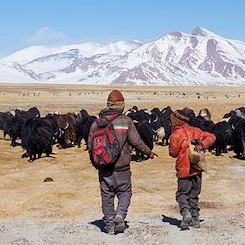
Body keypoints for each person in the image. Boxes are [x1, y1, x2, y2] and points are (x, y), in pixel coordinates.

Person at [89, 89, 155, 235]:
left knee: (107, 197)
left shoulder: (96, 124)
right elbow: (137, 142)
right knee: (125, 192)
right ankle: (120, 215)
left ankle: (110, 227)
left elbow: (90, 146)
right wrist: (148, 152)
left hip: (104, 167)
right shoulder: (126, 121)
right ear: (121, 105)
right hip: (122, 167)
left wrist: (96, 164)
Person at [168, 110, 216, 230]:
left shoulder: (175, 135)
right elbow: (212, 137)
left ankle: (186, 213)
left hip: (184, 170)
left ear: (176, 120)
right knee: (194, 195)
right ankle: (195, 219)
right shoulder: (196, 131)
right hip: (197, 167)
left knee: (182, 194)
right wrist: (202, 145)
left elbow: (173, 153)